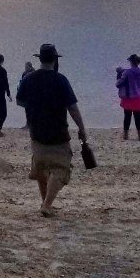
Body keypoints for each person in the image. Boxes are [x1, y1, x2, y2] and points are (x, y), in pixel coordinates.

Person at [16, 43, 88, 217]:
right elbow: (72, 108)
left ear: (40, 59)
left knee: (41, 168)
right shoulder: (60, 80)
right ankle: (47, 204)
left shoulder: (29, 79)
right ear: (55, 60)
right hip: (58, 132)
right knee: (61, 169)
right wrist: (81, 127)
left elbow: (20, 101)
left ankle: (44, 202)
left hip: (37, 131)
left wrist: (35, 104)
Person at [117, 53, 140, 140]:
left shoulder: (127, 72)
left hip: (128, 97)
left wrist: (119, 76)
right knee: (137, 116)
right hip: (139, 98)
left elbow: (119, 83)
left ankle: (125, 135)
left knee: (127, 116)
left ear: (131, 62)